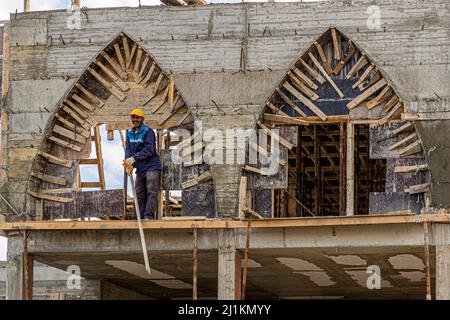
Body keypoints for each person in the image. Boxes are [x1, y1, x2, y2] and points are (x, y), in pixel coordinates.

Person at [123, 108, 161, 220]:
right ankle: (137, 217)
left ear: (142, 119)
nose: (135, 119)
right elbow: (128, 149)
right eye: (133, 117)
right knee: (139, 193)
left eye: (138, 117)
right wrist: (128, 162)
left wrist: (134, 159)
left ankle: (148, 216)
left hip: (151, 166)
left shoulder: (148, 132)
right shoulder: (130, 134)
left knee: (151, 191)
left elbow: (149, 149)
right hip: (140, 168)